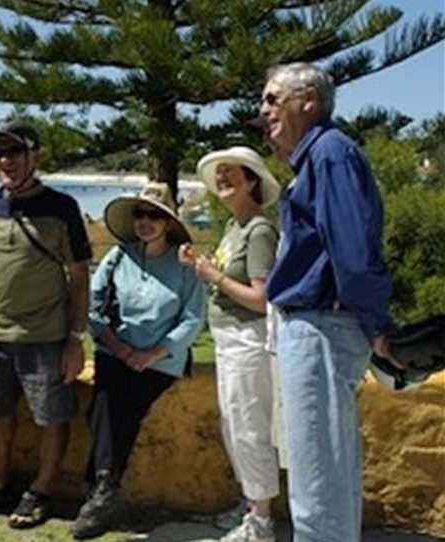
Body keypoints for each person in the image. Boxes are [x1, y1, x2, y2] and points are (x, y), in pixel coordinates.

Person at [259, 62, 397, 542]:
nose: (264, 110)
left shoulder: (330, 154)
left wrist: (378, 323)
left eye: (273, 98)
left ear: (309, 100)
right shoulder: (322, 158)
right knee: (326, 475)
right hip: (318, 327)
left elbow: (353, 254)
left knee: (318, 484)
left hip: (321, 327)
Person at [0, 120, 91, 529]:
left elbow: (79, 275)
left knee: (51, 417)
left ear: (35, 157)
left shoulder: (62, 207)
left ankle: (42, 490)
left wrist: (74, 339)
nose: (6, 161)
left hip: (45, 336)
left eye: (15, 152)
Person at [70, 183, 206, 540]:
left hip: (161, 360)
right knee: (106, 405)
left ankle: (98, 490)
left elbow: (193, 319)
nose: (146, 222)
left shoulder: (183, 265)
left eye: (155, 215)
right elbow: (94, 308)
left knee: (117, 409)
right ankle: (102, 491)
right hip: (116, 353)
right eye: (140, 214)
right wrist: (121, 348)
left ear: (167, 222)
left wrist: (152, 353)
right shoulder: (118, 257)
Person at [178, 147, 282, 542]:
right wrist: (203, 266)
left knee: (249, 426)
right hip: (228, 340)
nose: (222, 178)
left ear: (252, 180)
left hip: (247, 341)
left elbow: (262, 299)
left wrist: (212, 276)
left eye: (231, 172)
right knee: (234, 424)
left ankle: (261, 522)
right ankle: (251, 506)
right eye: (218, 174)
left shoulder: (258, 230)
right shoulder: (234, 228)